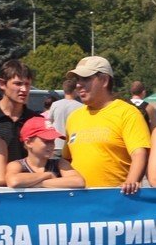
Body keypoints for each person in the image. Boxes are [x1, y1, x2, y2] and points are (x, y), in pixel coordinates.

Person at [63, 56, 151, 194]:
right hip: (78, 205)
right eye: (77, 80)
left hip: (114, 204)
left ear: (104, 80)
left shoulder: (127, 113)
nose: (78, 85)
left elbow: (140, 154)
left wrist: (131, 182)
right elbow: (66, 160)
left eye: (85, 79)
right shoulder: (74, 117)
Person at [0, 58, 42, 162]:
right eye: (18, 84)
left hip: (27, 177)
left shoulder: (36, 120)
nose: (24, 89)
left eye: (27, 84)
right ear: (2, 84)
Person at [5, 117, 85, 189]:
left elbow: (79, 181)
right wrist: (47, 175)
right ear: (28, 143)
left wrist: (40, 184)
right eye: (46, 141)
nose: (52, 145)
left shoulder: (60, 163)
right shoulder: (17, 165)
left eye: (53, 141)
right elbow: (14, 181)